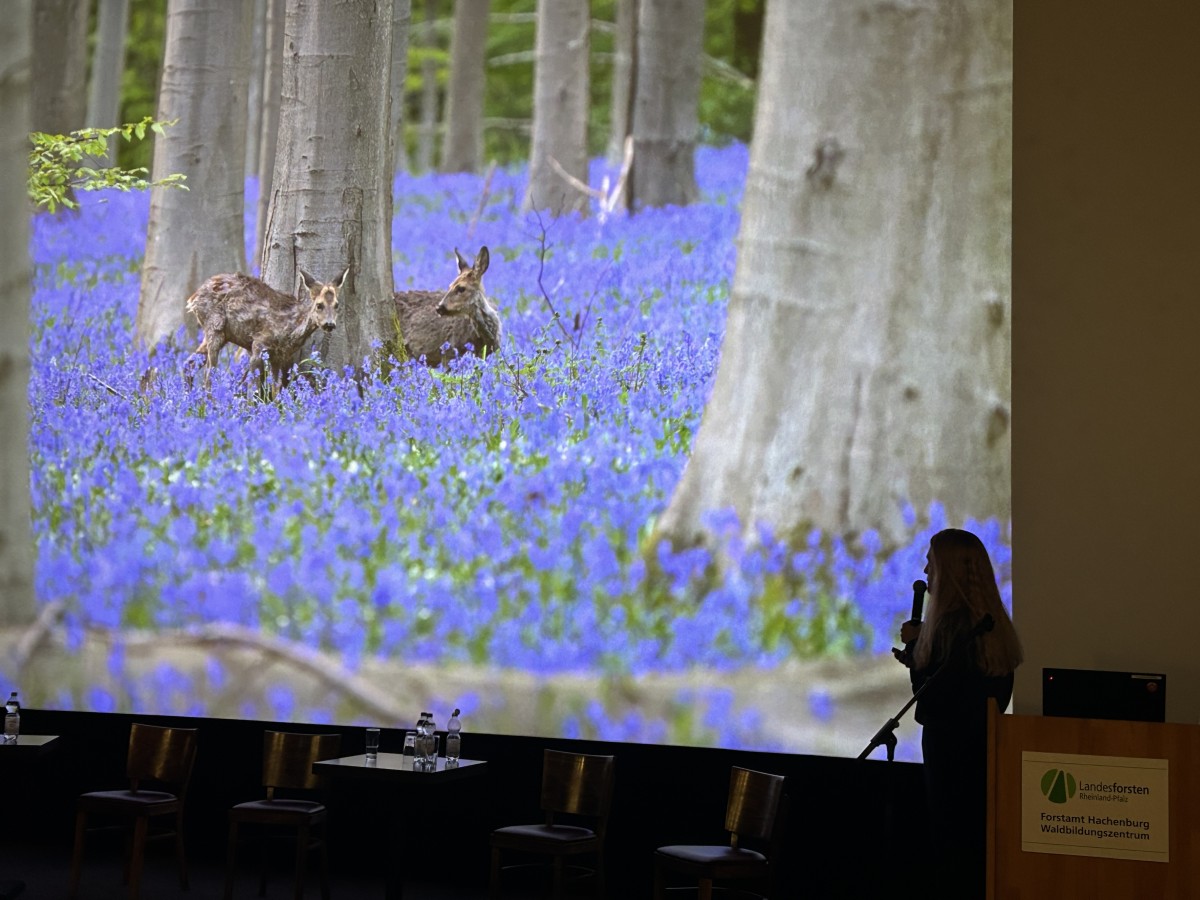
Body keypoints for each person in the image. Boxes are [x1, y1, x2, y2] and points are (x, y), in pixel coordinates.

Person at [892, 528, 1022, 900]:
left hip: (950, 762)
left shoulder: (952, 631)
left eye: (931, 563)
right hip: (981, 760)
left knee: (952, 854)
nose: (925, 571)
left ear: (947, 571)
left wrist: (917, 648)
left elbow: (932, 701)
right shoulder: (990, 627)